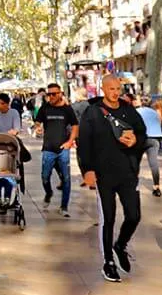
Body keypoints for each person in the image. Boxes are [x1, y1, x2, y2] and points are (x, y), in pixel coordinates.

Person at [78, 75, 149, 283]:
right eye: (111, 89)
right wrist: (88, 170)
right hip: (103, 174)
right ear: (103, 89)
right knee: (108, 218)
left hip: (127, 172)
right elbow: (84, 144)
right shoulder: (92, 113)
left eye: (118, 88)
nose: (116, 92)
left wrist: (135, 141)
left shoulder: (129, 110)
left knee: (134, 215)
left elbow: (143, 135)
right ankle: (108, 261)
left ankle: (121, 244)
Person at [33, 82, 77, 217]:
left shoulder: (67, 109)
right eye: (49, 94)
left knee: (66, 179)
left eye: (53, 94)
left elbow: (75, 125)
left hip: (63, 149)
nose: (51, 96)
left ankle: (64, 207)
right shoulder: (45, 108)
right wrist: (38, 127)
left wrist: (70, 142)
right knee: (45, 177)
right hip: (48, 149)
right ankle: (48, 193)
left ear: (60, 94)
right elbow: (37, 121)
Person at [137, 97, 162, 197]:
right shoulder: (154, 112)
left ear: (141, 102)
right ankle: (156, 187)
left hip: (141, 139)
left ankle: (135, 185)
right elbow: (160, 121)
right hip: (155, 138)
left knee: (136, 161)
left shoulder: (137, 111)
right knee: (154, 163)